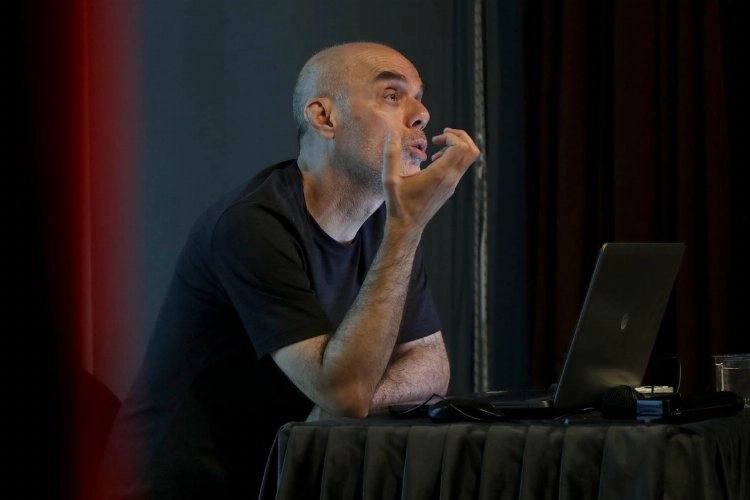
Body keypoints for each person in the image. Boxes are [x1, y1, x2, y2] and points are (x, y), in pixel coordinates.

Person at [98, 41, 479, 499]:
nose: (421, 115)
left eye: (419, 97)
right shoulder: (252, 224)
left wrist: (343, 402)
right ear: (324, 118)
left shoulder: (389, 223)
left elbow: (431, 367)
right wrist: (407, 229)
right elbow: (346, 394)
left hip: (275, 482)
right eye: (393, 96)